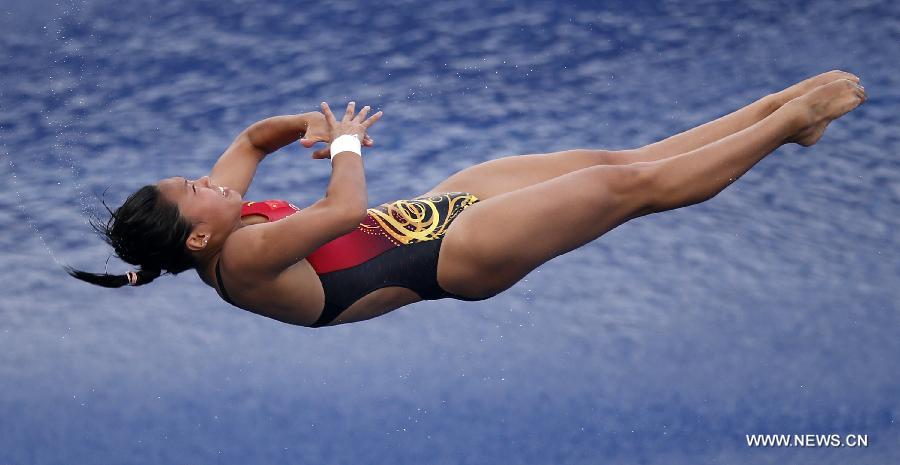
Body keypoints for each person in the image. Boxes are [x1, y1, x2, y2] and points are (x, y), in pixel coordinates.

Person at [66, 70, 866, 327]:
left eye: (192, 177)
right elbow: (342, 212)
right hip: (456, 255)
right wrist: (343, 143)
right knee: (626, 190)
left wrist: (308, 123)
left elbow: (248, 141)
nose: (207, 180)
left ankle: (773, 113)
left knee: (618, 162)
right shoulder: (240, 256)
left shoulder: (216, 218)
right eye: (194, 192)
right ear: (195, 239)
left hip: (444, 204)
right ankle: (791, 122)